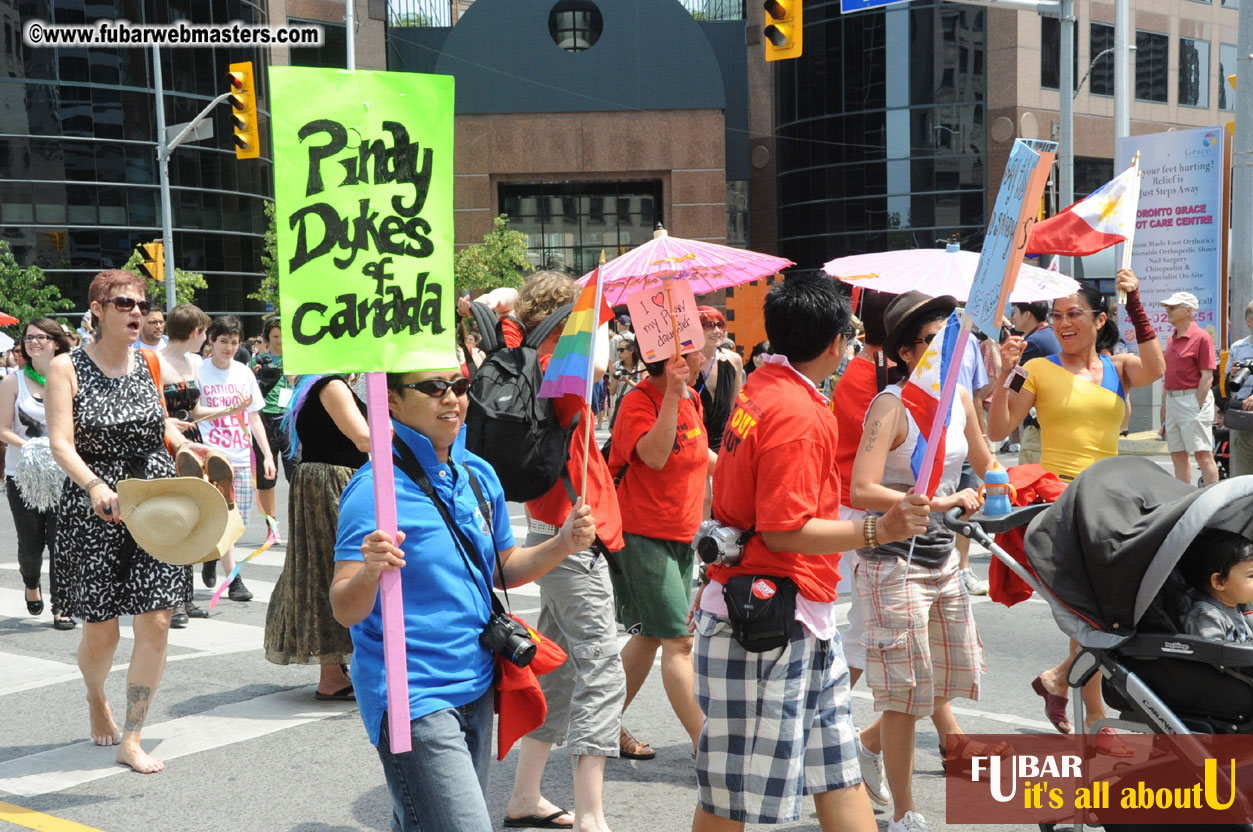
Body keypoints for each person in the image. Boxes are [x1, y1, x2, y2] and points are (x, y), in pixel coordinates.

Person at [690, 274, 930, 832]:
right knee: (733, 793)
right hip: (768, 623)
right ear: (834, 343)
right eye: (848, 336)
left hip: (793, 616)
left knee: (838, 772)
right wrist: (878, 529)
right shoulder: (795, 413)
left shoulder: (762, 389)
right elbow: (785, 530)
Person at [330, 367, 597, 832]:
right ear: (390, 401)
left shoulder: (477, 473)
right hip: (413, 696)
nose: (451, 398)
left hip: (477, 684)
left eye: (458, 386)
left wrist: (563, 545)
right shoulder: (374, 489)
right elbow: (343, 607)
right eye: (433, 388)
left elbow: (500, 568)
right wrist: (371, 571)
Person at [987, 270, 1164, 742]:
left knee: (1105, 609)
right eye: (1058, 315)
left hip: (1112, 498)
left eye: (1074, 314)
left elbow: (1157, 369)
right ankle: (1088, 710)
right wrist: (1004, 374)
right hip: (1061, 499)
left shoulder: (1119, 367)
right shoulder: (1038, 369)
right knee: (1097, 608)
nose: (1064, 323)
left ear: (1098, 318)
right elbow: (998, 430)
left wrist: (1136, 301)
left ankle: (1065, 682)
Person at [849, 292, 997, 832]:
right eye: (933, 342)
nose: (945, 350)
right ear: (908, 353)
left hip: (942, 560)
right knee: (905, 690)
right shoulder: (891, 405)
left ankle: (866, 747)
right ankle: (908, 813)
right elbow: (862, 487)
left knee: (940, 681)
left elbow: (981, 460)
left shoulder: (957, 396)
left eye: (950, 338)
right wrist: (933, 502)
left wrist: (990, 486)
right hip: (892, 562)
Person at [46, 269, 204, 773]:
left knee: (156, 620)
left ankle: (133, 735)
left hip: (154, 501)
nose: (137, 311)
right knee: (102, 634)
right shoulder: (66, 368)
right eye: (124, 304)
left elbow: (158, 426)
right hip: (96, 505)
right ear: (97, 309)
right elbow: (60, 444)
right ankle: (96, 695)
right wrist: (94, 484)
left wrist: (183, 445)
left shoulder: (149, 362)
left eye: (140, 303)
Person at [502, 271, 624, 832]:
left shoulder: (530, 364)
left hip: (549, 531)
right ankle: (592, 816)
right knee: (602, 671)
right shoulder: (562, 370)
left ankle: (526, 795)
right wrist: (590, 314)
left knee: (561, 672)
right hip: (573, 538)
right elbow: (597, 367)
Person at [608, 346, 713, 758]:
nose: (705, 352)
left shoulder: (693, 397)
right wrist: (670, 393)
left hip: (682, 533)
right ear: (673, 360)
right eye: (695, 349)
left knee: (650, 634)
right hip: (643, 535)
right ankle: (705, 742)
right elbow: (653, 455)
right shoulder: (639, 401)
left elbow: (699, 455)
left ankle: (603, 721)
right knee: (678, 641)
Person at [265, 373, 369, 700]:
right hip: (333, 482)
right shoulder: (332, 385)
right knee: (340, 570)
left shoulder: (318, 383)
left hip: (324, 479)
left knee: (325, 570)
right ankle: (333, 674)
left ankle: (333, 672)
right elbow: (365, 439)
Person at [1, 318, 75, 630]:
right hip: (23, 475)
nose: (34, 342)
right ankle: (31, 583)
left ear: (56, 342)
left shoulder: (71, 377)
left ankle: (62, 605)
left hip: (63, 474)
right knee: (31, 545)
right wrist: (32, 448)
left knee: (61, 542)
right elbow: (3, 429)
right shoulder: (13, 381)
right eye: (29, 338)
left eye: (41, 337)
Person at [196, 315, 275, 601]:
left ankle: (213, 556)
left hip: (242, 456)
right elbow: (193, 413)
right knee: (225, 518)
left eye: (233, 342)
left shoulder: (244, 373)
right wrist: (227, 410)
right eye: (223, 342)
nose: (228, 348)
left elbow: (254, 418)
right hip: (213, 456)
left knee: (237, 522)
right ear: (211, 341)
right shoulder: (200, 372)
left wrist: (266, 455)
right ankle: (234, 580)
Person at [157, 303, 219, 626]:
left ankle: (187, 597)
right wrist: (170, 423)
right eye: (204, 331)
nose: (206, 337)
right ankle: (173, 601)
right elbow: (155, 412)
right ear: (195, 332)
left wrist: (228, 409)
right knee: (174, 520)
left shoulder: (193, 363)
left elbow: (195, 410)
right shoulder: (156, 360)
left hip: (192, 441)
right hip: (167, 444)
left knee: (191, 519)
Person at [1159, 291, 1219, 485]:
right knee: (1177, 454)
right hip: (1173, 399)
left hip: (1192, 397)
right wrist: (1164, 405)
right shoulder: (1171, 338)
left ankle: (1213, 502)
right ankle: (1183, 500)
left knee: (1203, 455)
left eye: (1173, 307)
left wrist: (1197, 404)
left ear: (1188, 310)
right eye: (1168, 307)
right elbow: (1169, 375)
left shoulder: (1201, 338)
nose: (1168, 310)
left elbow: (1207, 376)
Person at [251, 317, 296, 539]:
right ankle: (271, 527)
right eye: (275, 336)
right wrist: (257, 375)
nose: (279, 341)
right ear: (267, 339)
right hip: (264, 420)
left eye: (282, 336)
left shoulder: (297, 360)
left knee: (296, 474)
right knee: (266, 477)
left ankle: (298, 526)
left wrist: (294, 379)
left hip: (288, 419)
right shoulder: (258, 360)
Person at [1177, 529, 1253, 642]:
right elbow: (1209, 656)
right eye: (1251, 575)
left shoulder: (1237, 606)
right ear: (1219, 581)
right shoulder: (1207, 617)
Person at [1008, 301, 1059, 465]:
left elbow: (1015, 385)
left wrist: (1005, 370)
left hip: (1038, 428)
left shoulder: (1032, 343)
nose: (1012, 317)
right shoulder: (1050, 335)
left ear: (1027, 314)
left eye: (1015, 311)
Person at [695, 306, 742, 453]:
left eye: (719, 325)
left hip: (725, 444)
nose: (716, 331)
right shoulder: (686, 363)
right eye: (709, 326)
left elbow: (735, 408)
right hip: (695, 443)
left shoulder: (734, 360)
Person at [1226, 302, 1253, 477]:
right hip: (1244, 415)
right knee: (1243, 474)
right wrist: (1232, 374)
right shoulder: (1237, 347)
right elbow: (1227, 382)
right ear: (1250, 321)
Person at [607, 332, 642, 429]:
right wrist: (615, 379)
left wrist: (627, 381)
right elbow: (612, 392)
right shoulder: (616, 366)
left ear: (631, 351)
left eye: (622, 350)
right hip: (623, 406)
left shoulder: (640, 366)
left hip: (637, 406)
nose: (618, 353)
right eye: (618, 350)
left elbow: (645, 390)